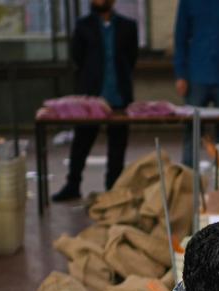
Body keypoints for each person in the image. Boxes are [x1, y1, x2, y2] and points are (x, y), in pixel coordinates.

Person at [52, 0, 138, 202]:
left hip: (119, 95)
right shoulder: (83, 26)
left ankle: (112, 187)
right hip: (91, 97)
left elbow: (131, 58)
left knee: (117, 145)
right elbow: (78, 58)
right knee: (82, 141)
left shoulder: (128, 26)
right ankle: (73, 184)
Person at [174, 0, 219, 168]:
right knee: (192, 128)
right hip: (196, 74)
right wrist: (181, 74)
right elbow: (180, 38)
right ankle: (188, 174)